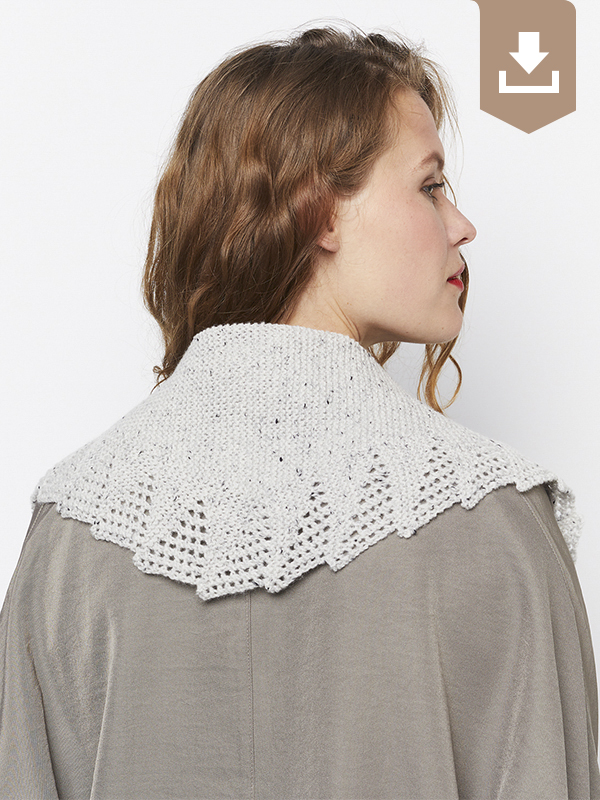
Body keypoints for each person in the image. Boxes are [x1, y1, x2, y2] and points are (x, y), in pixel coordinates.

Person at [1, 22, 598, 800]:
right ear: (318, 211)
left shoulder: (69, 534)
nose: (461, 225)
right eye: (430, 186)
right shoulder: (499, 523)